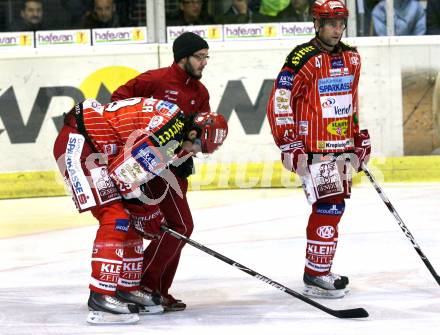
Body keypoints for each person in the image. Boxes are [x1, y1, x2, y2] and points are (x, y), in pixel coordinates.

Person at [53, 96, 227, 323]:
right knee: (115, 217)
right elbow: (121, 174)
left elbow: (131, 173)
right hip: (80, 146)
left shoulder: (174, 131)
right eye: (198, 148)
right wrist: (146, 212)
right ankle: (101, 296)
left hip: (97, 147)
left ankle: (127, 288)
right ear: (193, 134)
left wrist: (143, 212)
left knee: (129, 219)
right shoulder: (167, 139)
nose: (194, 153)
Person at [266, 0, 371, 299]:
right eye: (331, 23)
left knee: (335, 206)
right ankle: (316, 273)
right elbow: (280, 101)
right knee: (329, 206)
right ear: (317, 23)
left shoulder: (352, 58)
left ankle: (318, 270)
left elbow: (349, 101)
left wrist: (357, 136)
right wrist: (288, 141)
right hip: (314, 149)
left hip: (341, 148)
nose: (337, 29)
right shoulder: (303, 58)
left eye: (341, 23)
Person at [111, 32, 214, 311]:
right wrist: (134, 142)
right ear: (183, 57)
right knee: (181, 227)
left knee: (172, 228)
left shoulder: (200, 93)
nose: (205, 62)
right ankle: (144, 285)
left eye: (207, 56)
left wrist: (202, 139)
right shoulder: (154, 80)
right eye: (200, 56)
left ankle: (158, 290)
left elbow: (196, 133)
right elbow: (116, 103)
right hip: (152, 170)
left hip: (178, 168)